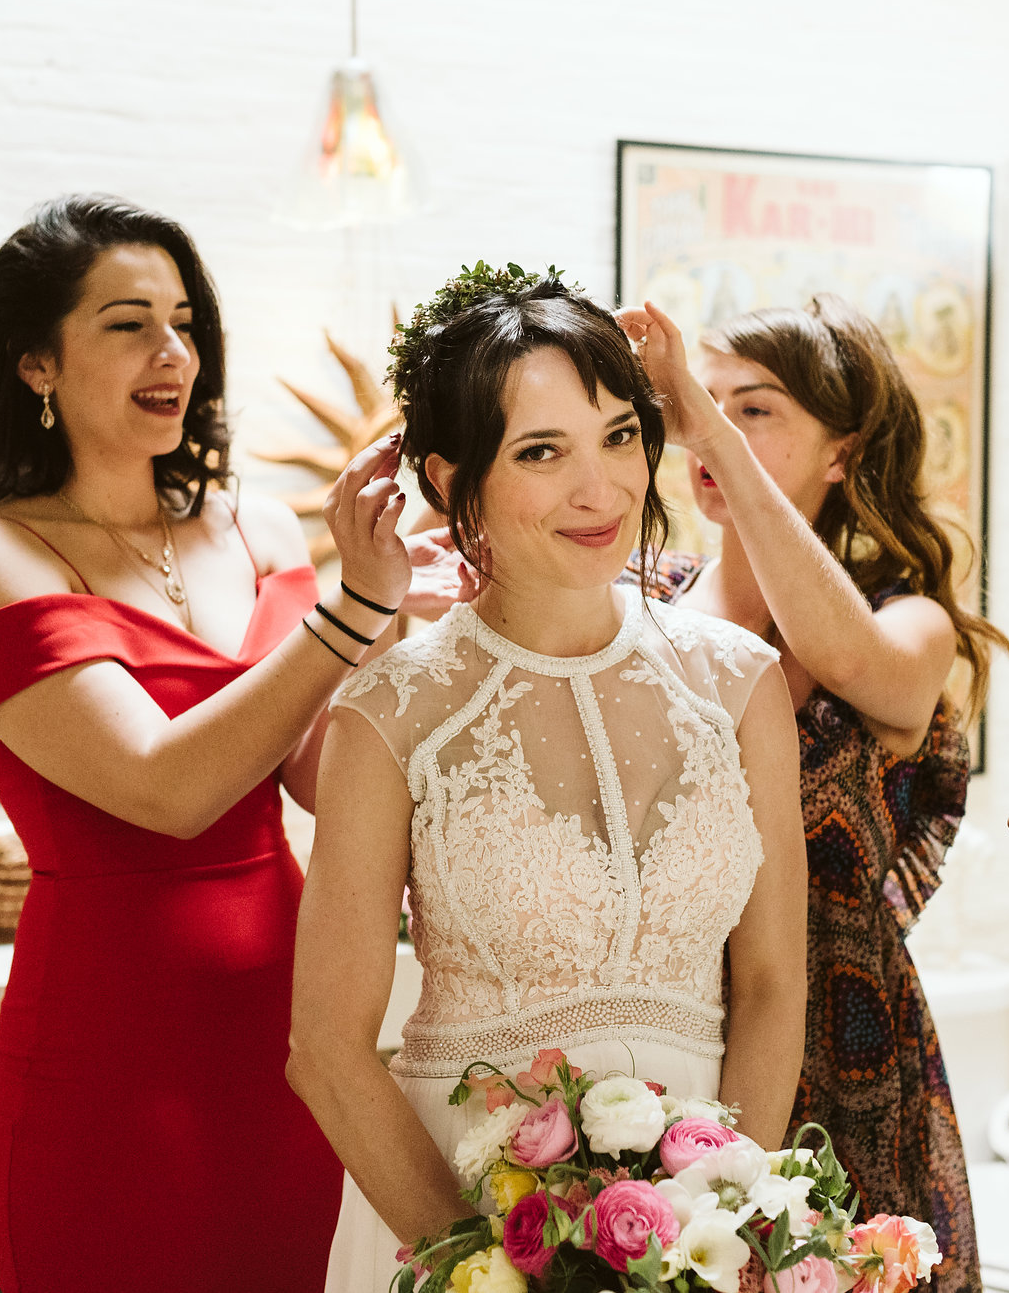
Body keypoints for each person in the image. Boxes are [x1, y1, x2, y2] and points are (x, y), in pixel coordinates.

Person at [0, 194, 468, 1293]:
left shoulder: (258, 528)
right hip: (107, 1061)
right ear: (37, 361)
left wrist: (435, 617)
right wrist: (355, 612)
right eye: (128, 322)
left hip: (301, 1040)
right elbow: (165, 786)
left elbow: (323, 778)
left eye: (183, 320)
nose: (172, 351)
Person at [287, 264, 809, 1290]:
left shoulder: (737, 682)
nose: (601, 489)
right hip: (451, 1211)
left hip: (693, 1228)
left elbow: (769, 981)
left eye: (620, 435)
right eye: (541, 452)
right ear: (451, 479)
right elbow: (326, 1050)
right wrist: (481, 1268)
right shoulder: (392, 710)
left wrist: (734, 1217)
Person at [619, 294, 1009, 1291]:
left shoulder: (905, 618)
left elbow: (846, 659)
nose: (711, 431)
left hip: (854, 1055)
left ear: (841, 449)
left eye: (754, 408)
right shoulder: (636, 608)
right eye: (701, 404)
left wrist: (701, 421)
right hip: (673, 1035)